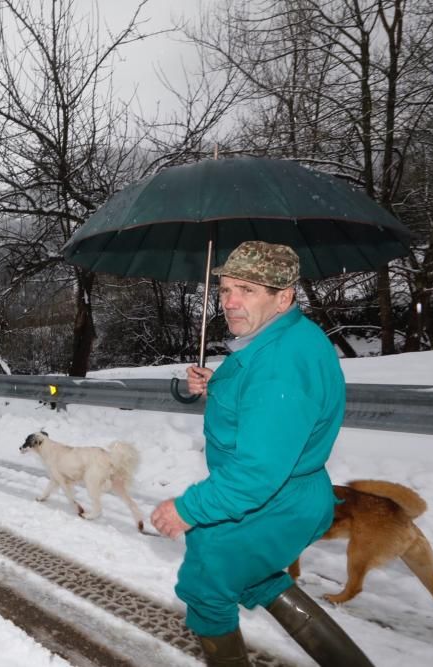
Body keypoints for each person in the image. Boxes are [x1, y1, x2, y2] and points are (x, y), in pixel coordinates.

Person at [149, 241, 373, 666]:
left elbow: (256, 472)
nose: (229, 302)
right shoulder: (289, 337)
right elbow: (265, 410)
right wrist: (219, 385)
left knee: (207, 590)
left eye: (247, 290)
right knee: (258, 578)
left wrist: (188, 508)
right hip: (291, 495)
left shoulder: (280, 364)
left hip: (269, 502)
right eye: (225, 289)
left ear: (283, 296)